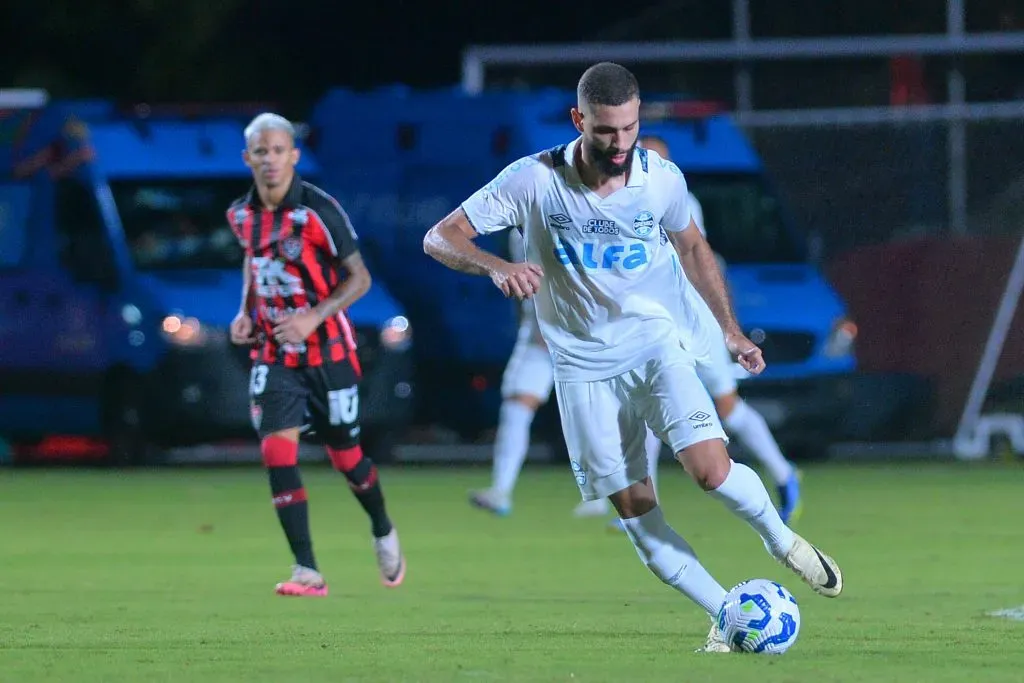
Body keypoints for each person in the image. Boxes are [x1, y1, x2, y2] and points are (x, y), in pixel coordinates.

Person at [424, 63, 842, 652]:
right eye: (605, 132)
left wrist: (730, 330)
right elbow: (440, 236)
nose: (619, 144)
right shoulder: (533, 180)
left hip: (654, 347)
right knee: (638, 516)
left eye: (628, 129)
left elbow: (694, 246)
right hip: (581, 372)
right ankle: (725, 612)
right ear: (579, 121)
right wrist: (498, 267)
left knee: (711, 473)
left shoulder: (661, 180)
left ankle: (783, 541)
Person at [580, 135, 803, 526]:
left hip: (695, 321)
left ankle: (784, 473)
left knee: (728, 409)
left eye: (654, 158)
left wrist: (726, 325)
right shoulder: (622, 203)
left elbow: (697, 257)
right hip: (658, 324)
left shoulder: (675, 198)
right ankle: (646, 501)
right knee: (647, 406)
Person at [228, 113, 405, 597]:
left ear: (293, 156)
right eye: (260, 152)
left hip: (327, 351)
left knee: (347, 457)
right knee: (276, 451)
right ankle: (307, 569)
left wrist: (312, 317)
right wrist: (245, 311)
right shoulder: (241, 215)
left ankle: (383, 528)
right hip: (274, 351)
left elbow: (360, 278)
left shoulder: (318, 211)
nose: (270, 159)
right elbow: (253, 260)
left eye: (278, 150)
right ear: (248, 158)